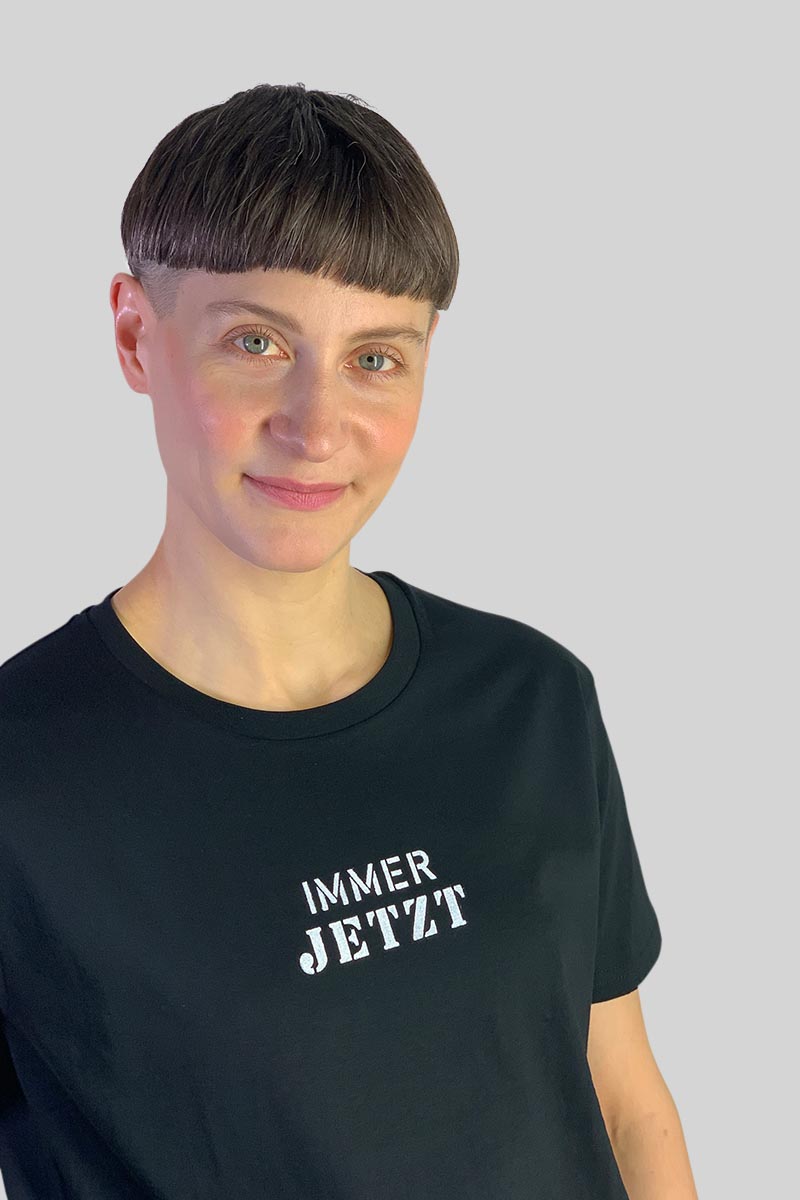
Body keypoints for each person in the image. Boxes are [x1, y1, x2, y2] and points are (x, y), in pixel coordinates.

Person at [0, 82, 697, 1198]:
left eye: (375, 358)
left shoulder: (530, 699)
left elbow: (624, 1105)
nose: (316, 427)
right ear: (135, 333)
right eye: (256, 342)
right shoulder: (21, 778)